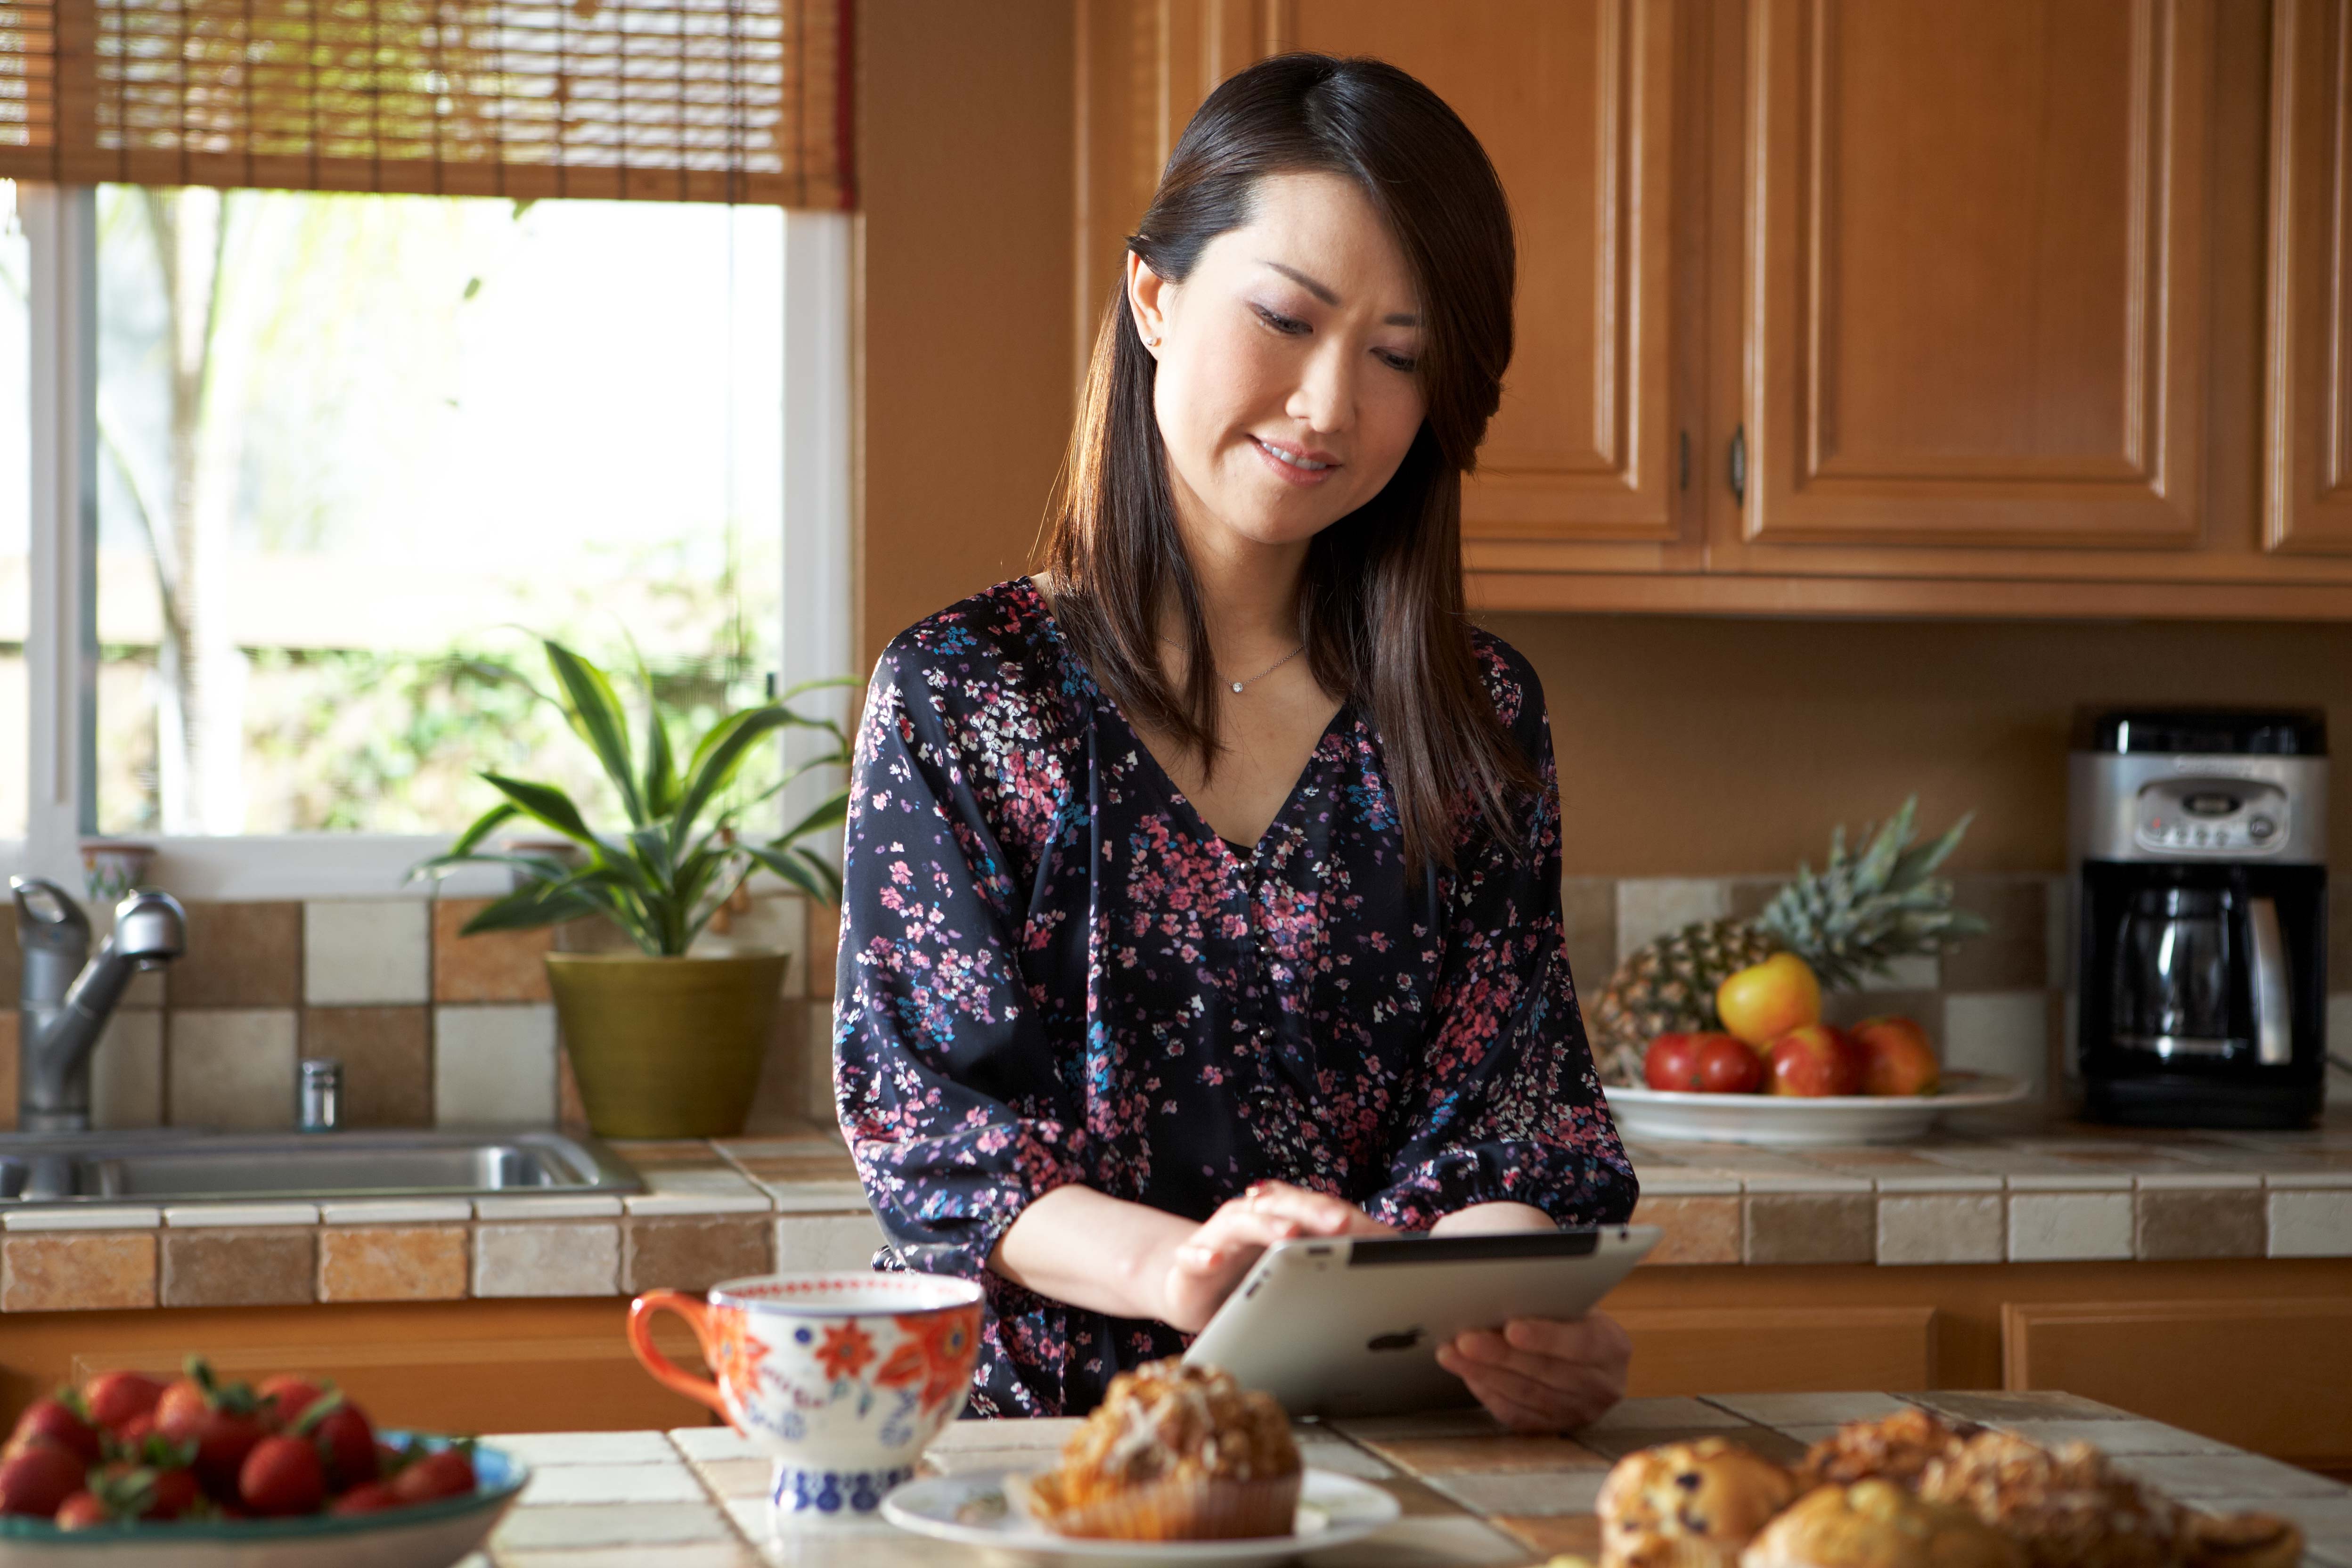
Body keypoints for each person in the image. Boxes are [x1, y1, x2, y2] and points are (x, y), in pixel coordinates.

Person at [832, 51, 1638, 1430]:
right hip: (1045, 1468)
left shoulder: (1476, 715)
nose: (1331, 404)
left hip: (1387, 1451)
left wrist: (1512, 1312)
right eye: (1285, 318)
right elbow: (936, 1138)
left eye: (1398, 356)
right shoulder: (968, 694)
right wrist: (1186, 1270)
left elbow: (1514, 1112)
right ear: (1156, 297)